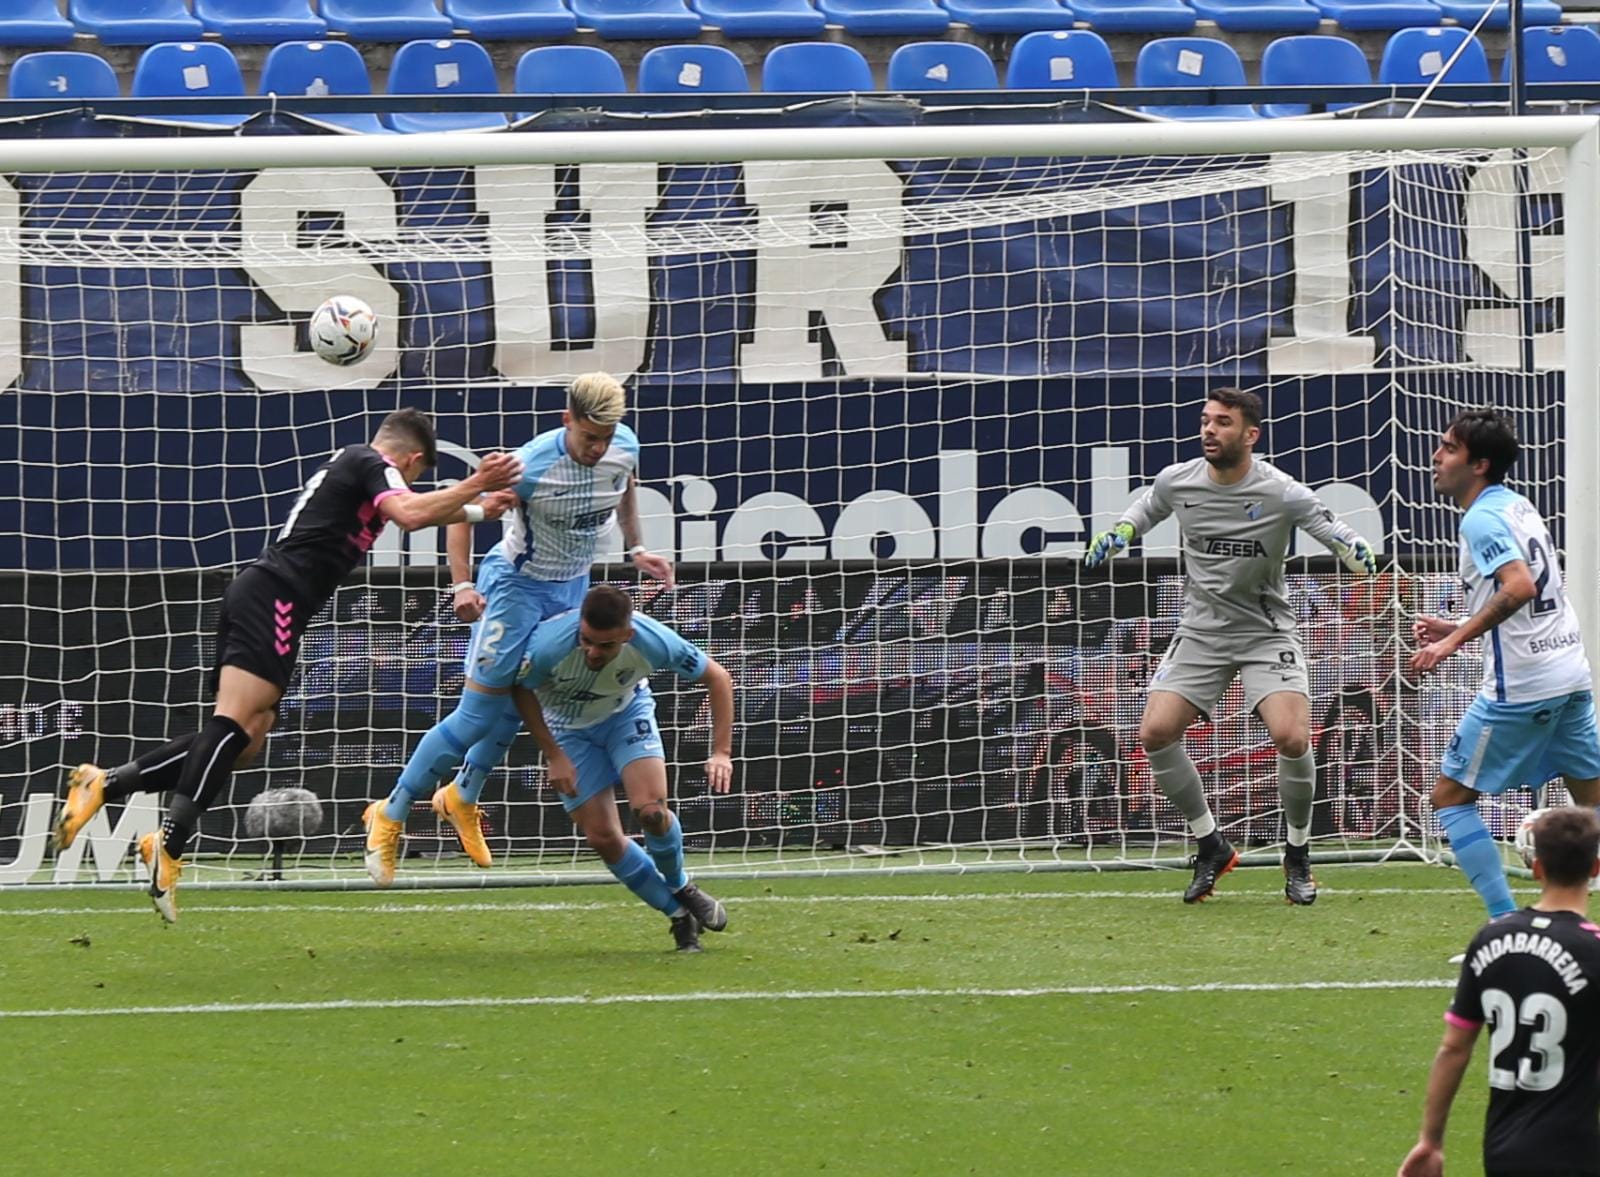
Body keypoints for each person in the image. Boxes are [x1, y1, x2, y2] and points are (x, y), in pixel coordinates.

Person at [52, 409, 522, 922]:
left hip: (272, 597)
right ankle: (168, 845)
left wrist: (479, 510)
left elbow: (417, 511)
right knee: (233, 724)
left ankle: (107, 784)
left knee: (248, 738)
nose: (409, 484)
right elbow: (411, 514)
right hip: (274, 596)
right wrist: (477, 482)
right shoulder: (370, 461)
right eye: (414, 475)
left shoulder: (355, 468)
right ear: (409, 460)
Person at [364, 373, 674, 884]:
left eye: (606, 436)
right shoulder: (529, 465)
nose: (598, 447)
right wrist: (461, 585)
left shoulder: (623, 447)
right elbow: (459, 511)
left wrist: (636, 547)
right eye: (588, 436)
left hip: (572, 590)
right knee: (477, 713)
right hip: (517, 590)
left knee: (523, 697)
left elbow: (626, 485)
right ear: (566, 421)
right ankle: (390, 812)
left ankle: (462, 795)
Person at [1083, 388, 1378, 905]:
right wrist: (1119, 533)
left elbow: (1331, 528)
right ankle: (1211, 845)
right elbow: (1146, 509)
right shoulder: (1179, 481)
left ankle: (1298, 853)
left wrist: (1354, 550)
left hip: (1266, 631)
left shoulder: (1281, 492)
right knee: (1155, 733)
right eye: (1205, 421)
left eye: (1222, 422)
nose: (1209, 431)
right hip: (1201, 631)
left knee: (1291, 737)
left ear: (1250, 435)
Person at [1409, 408, 1600, 919]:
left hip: (1526, 686)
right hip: (1569, 672)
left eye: (1449, 448)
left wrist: (1450, 644)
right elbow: (1527, 598)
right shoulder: (1517, 505)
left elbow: (1520, 587)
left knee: (1450, 797)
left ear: (1479, 464)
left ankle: (1502, 921)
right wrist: (1457, 627)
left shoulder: (1482, 518)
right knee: (1593, 801)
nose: (1436, 455)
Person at [511, 584, 733, 953]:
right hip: (568, 732)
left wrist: (721, 752)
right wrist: (553, 755)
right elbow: (520, 690)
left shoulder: (653, 640)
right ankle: (680, 916)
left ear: (627, 635)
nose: (593, 652)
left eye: (606, 646)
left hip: (626, 716)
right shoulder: (550, 645)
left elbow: (718, 678)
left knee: (651, 813)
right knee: (601, 837)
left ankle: (681, 885)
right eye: (587, 641)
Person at [1398, 807, 1600, 1177]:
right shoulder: (1593, 950)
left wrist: (1430, 1140)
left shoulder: (1491, 939)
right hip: (1576, 1151)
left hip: (1504, 1150)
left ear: (1536, 868)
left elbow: (1454, 1048)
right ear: (1595, 869)